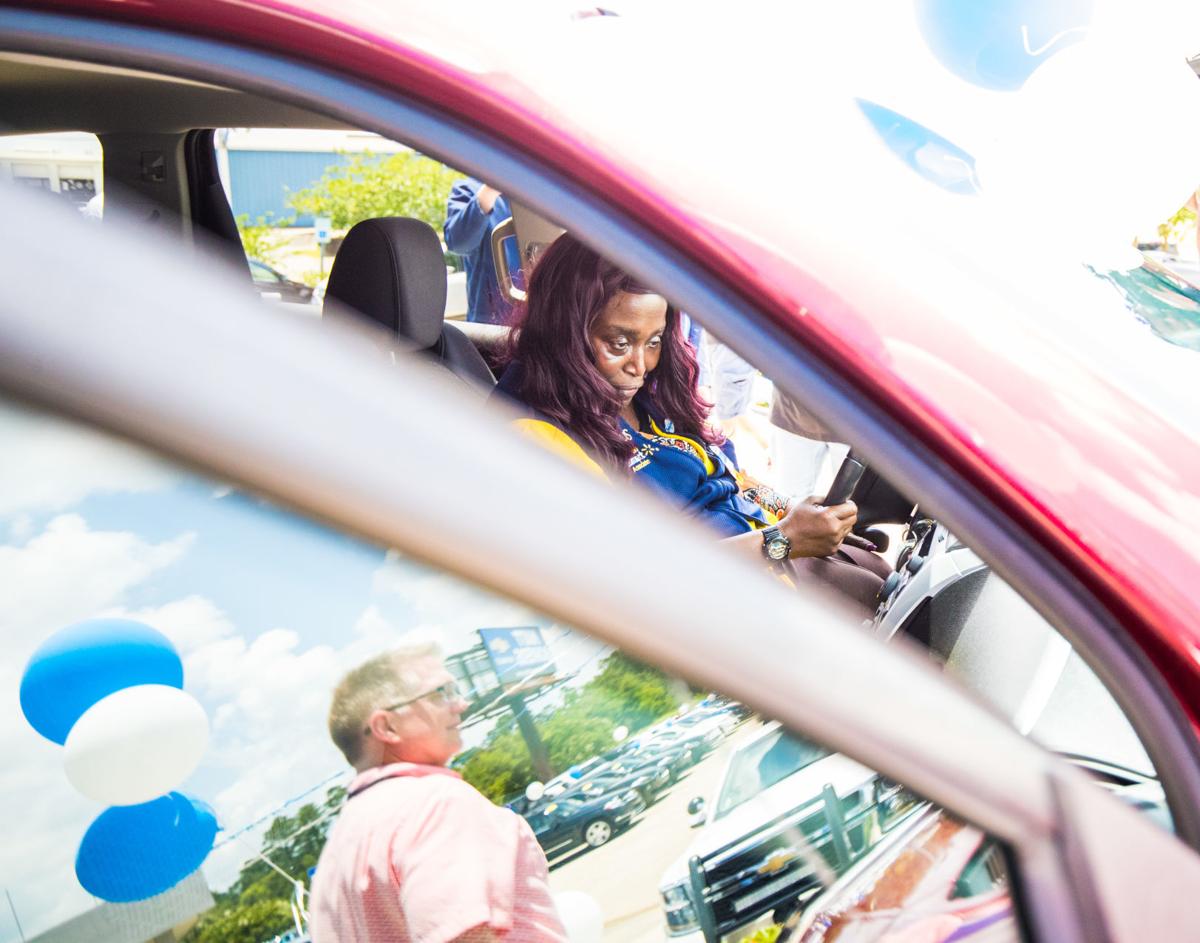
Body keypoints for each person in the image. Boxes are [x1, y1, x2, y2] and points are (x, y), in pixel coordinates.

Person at [494, 234, 881, 607]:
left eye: (654, 341)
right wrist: (781, 541)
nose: (640, 365)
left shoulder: (647, 394)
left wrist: (796, 513)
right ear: (565, 330)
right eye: (619, 343)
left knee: (881, 577)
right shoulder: (536, 435)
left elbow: (728, 478)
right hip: (713, 609)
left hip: (759, 557)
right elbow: (629, 578)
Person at [310, 643, 567, 943]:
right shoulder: (436, 802)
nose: (461, 704)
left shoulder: (336, 852)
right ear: (387, 726)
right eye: (441, 693)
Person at [444, 178, 515, 324]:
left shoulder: (541, 191)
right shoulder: (469, 189)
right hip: (492, 325)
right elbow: (458, 243)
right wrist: (489, 192)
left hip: (542, 319)